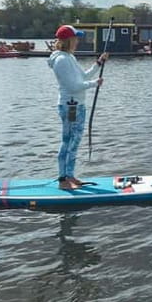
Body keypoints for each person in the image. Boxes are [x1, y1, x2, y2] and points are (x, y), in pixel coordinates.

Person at [48, 25, 109, 190]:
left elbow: (83, 76)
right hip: (71, 107)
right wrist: (94, 84)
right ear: (69, 40)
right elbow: (73, 86)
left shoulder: (69, 57)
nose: (78, 41)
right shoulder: (61, 60)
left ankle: (70, 175)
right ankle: (63, 180)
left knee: (74, 142)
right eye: (76, 38)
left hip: (76, 106)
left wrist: (98, 63)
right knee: (68, 142)